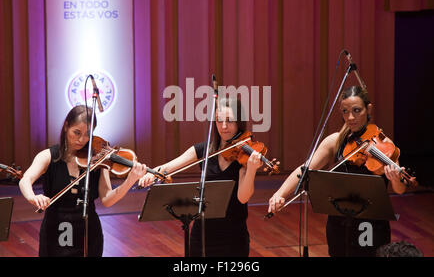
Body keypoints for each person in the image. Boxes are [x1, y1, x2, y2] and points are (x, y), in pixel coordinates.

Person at [268, 86, 408, 257]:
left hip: (370, 225)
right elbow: (304, 170)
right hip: (339, 223)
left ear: (368, 109)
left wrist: (395, 178)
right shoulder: (335, 141)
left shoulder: (385, 146)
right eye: (345, 111)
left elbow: (400, 189)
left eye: (357, 110)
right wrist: (280, 193)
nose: (350, 117)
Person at [138, 97, 263, 257]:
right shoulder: (204, 150)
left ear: (239, 122)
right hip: (202, 234)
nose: (224, 127)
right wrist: (152, 174)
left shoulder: (245, 156)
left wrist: (251, 169)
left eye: (229, 121)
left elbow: (243, 198)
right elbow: (168, 167)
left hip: (233, 237)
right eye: (219, 121)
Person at [19, 105, 148, 257]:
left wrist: (130, 181)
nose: (81, 140)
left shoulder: (97, 159)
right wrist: (33, 197)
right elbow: (25, 180)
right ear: (66, 126)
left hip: (88, 232)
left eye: (87, 134)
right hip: (56, 231)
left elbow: (107, 199)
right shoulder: (48, 156)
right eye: (77, 133)